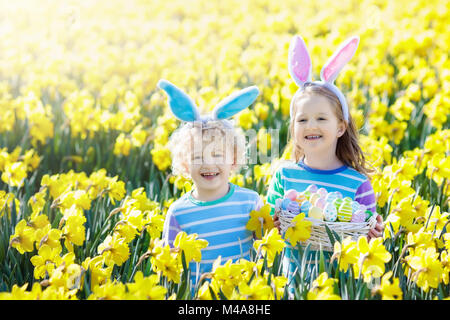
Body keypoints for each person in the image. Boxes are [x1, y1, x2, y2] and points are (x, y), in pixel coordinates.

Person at [266, 35, 384, 287]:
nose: (311, 126)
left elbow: (366, 242)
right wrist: (272, 222)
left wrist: (374, 234)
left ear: (341, 127)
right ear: (293, 127)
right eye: (302, 120)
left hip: (340, 286)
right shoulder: (284, 176)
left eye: (321, 118)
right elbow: (267, 231)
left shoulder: (357, 184)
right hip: (294, 286)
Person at [159, 79, 263, 289]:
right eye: (198, 157)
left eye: (217, 154)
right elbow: (168, 266)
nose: (208, 163)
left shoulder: (251, 202)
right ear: (185, 165)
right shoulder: (178, 213)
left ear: (233, 159)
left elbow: (265, 253)